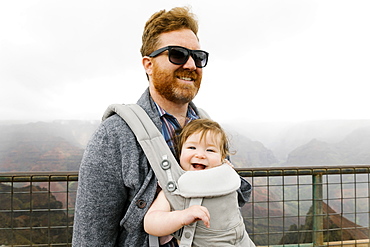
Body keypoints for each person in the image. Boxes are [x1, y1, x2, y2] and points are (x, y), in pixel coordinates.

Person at [72, 6, 252, 246]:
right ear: (148, 64)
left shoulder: (206, 127)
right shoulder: (113, 137)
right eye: (177, 54)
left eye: (197, 57)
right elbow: (91, 237)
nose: (190, 64)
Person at [144, 119, 256, 246]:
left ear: (222, 158)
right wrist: (181, 216)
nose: (200, 155)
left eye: (210, 150)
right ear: (180, 153)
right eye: (192, 147)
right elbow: (150, 223)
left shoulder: (226, 177)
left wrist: (226, 171)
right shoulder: (176, 188)